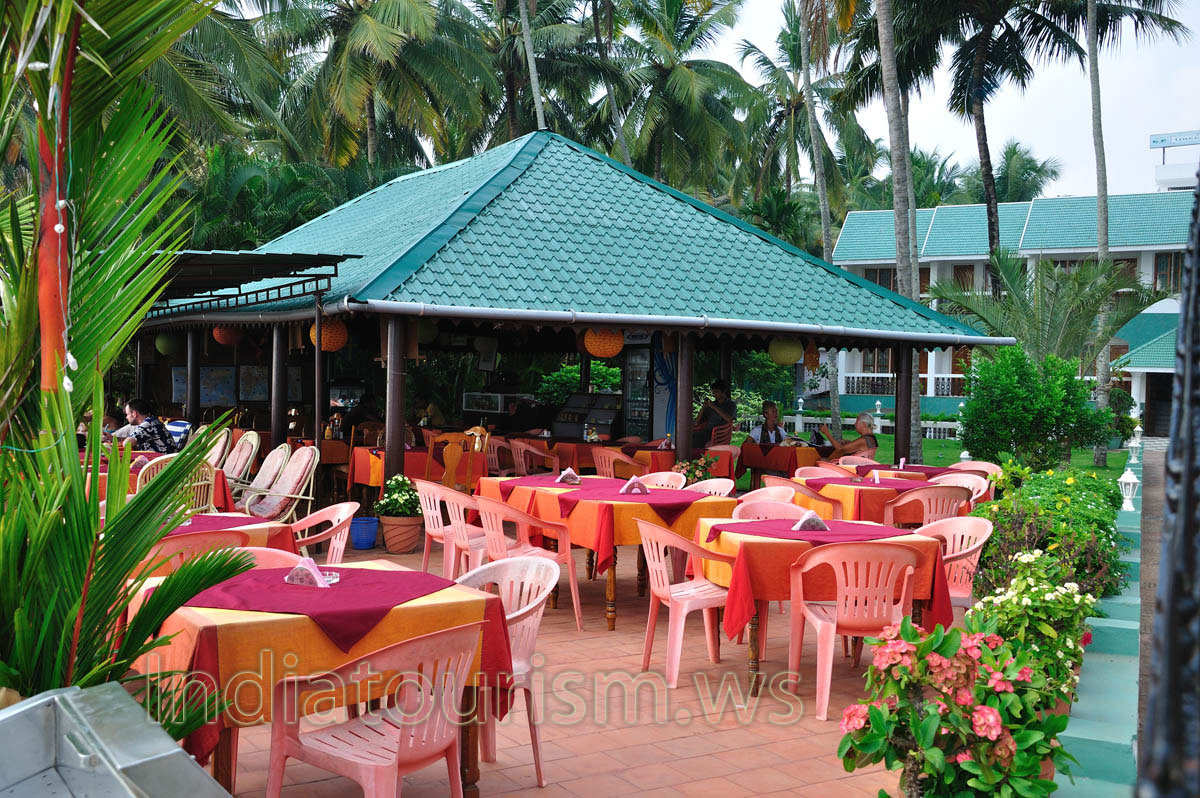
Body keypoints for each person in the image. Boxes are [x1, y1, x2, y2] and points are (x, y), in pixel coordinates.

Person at [109, 398, 177, 453]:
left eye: (127, 414)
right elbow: (136, 439)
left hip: (161, 464)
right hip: (161, 461)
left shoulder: (148, 424)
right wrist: (113, 438)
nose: (126, 417)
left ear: (134, 414)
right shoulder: (152, 421)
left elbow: (127, 444)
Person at [692, 379, 736, 448]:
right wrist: (703, 408)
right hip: (708, 432)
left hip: (721, 433)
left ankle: (696, 456)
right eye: (713, 392)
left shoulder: (731, 405)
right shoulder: (712, 405)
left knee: (697, 438)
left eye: (717, 392)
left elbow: (729, 419)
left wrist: (715, 407)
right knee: (689, 436)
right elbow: (697, 422)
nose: (714, 394)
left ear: (723, 392)